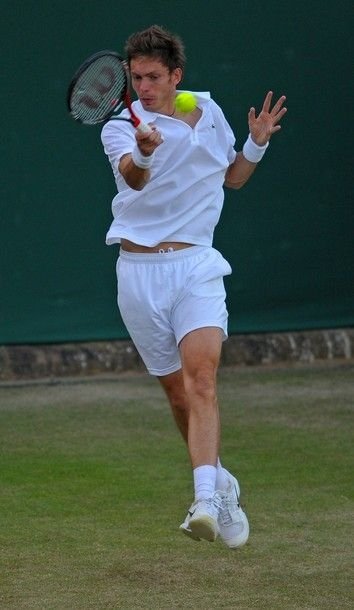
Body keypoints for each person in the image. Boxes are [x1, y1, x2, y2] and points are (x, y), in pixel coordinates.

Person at [101, 24, 287, 548]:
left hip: (197, 266)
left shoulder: (209, 111)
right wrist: (143, 153)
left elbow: (232, 176)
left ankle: (204, 499)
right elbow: (133, 178)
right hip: (138, 276)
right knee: (179, 396)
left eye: (153, 77)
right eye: (136, 77)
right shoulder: (120, 127)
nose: (144, 87)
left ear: (176, 75)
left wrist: (256, 142)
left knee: (201, 380)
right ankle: (221, 479)